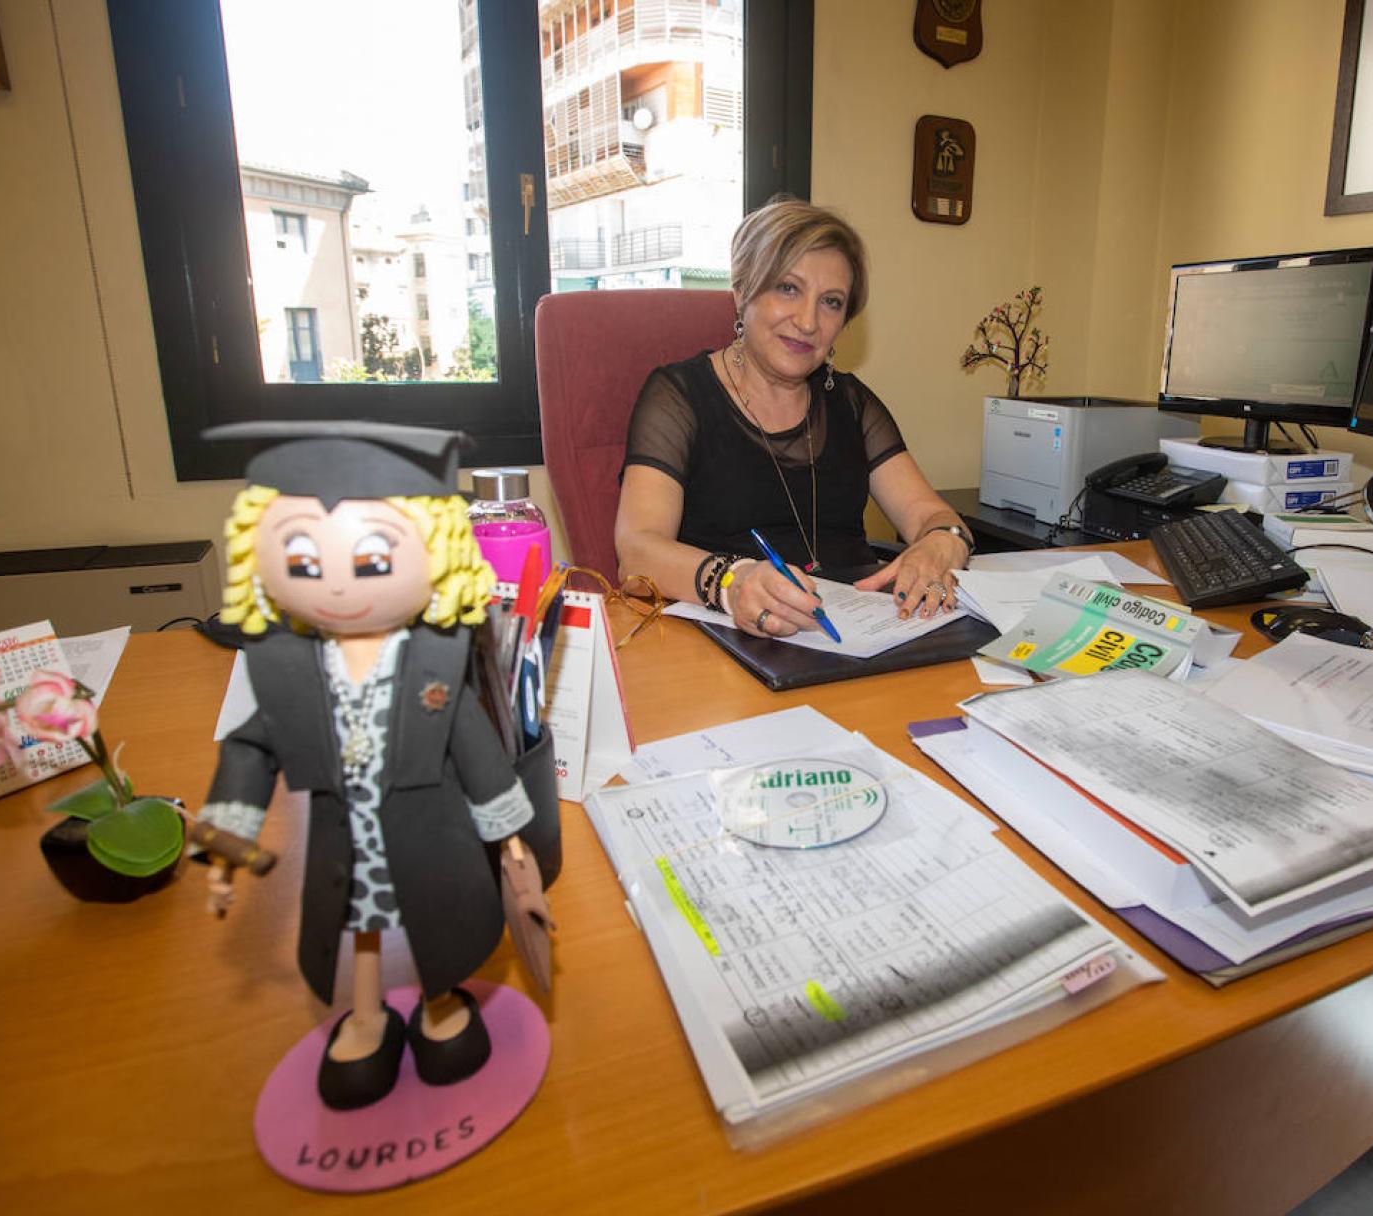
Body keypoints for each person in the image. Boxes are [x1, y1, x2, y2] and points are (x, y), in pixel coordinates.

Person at [195, 421, 539, 1111]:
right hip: (342, 837)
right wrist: (228, 838)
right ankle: (365, 1015)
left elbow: (474, 747)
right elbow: (253, 744)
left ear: (438, 553)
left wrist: (511, 843)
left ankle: (441, 1005)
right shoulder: (295, 674)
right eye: (301, 559)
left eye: (374, 560)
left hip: (430, 830)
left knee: (434, 919)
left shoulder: (434, 665)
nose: (338, 587)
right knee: (360, 922)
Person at [615, 197, 976, 639]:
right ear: (743, 291)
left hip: (861, 634)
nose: (808, 321)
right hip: (728, 641)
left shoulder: (852, 402)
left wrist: (944, 542)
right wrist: (734, 580)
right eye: (788, 288)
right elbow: (636, 550)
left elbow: (928, 514)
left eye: (831, 302)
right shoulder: (679, 396)